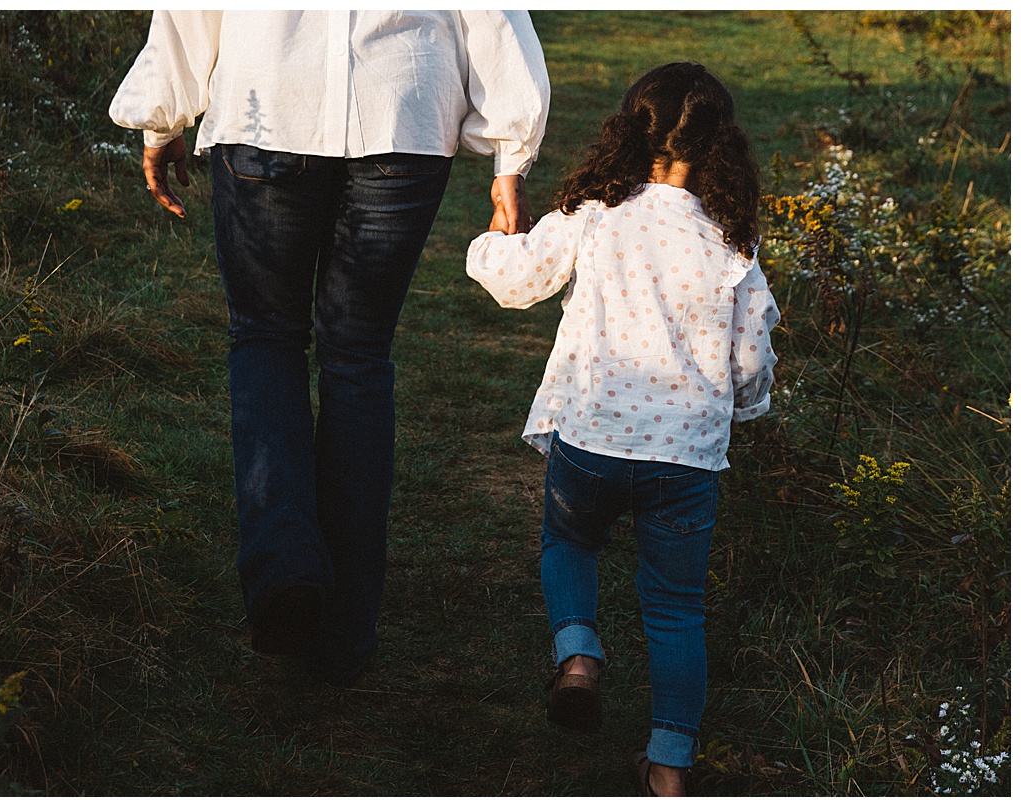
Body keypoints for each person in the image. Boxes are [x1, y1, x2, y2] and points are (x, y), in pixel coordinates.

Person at [110, 11, 549, 686]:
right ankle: (344, 630)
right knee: (357, 356)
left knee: (265, 337)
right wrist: (511, 155)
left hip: (267, 107)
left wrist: (164, 117)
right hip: (403, 114)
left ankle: (286, 567)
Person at [466, 63, 779, 796]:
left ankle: (578, 655)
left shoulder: (597, 213)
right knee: (676, 608)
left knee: (569, 540)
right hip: (686, 458)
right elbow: (753, 349)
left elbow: (518, 281)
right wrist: (745, 405)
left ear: (629, 134)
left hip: (591, 438)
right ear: (719, 147)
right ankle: (668, 763)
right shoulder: (731, 240)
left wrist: (490, 242)